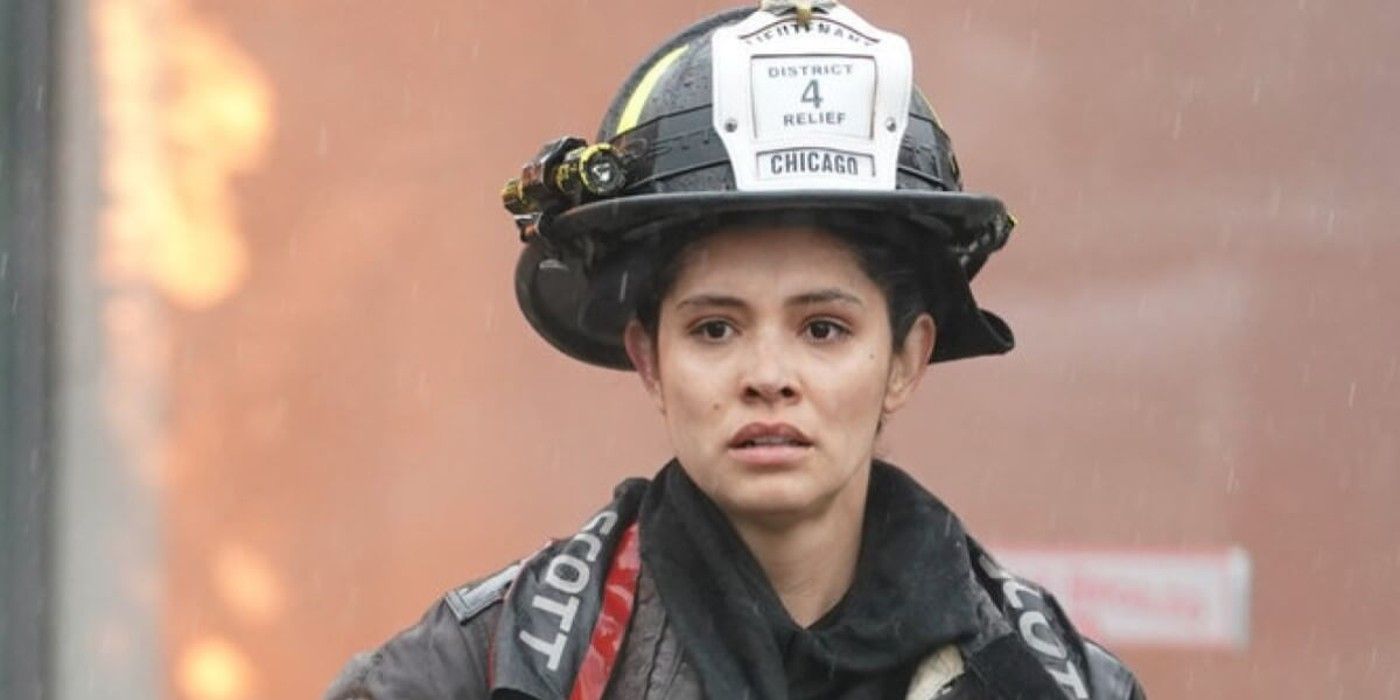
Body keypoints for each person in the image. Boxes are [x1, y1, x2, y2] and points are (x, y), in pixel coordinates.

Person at [327, 2, 1146, 698]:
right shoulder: (483, 671)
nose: (767, 378)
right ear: (649, 358)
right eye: (714, 328)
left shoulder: (1057, 682)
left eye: (823, 328)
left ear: (906, 359)